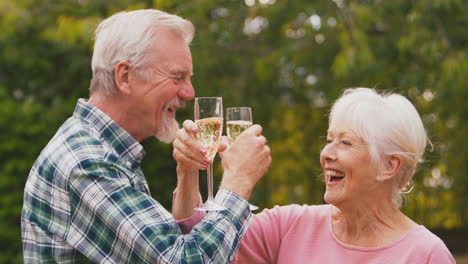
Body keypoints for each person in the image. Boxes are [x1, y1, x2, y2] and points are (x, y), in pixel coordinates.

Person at [21, 9, 271, 263]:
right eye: (177, 77)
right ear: (125, 77)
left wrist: (188, 172)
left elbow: (170, 245)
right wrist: (238, 181)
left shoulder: (106, 151)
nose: (188, 92)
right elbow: (183, 259)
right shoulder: (88, 162)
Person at [175, 88, 455, 263]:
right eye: (329, 139)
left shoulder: (426, 254)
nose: (326, 154)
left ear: (389, 166)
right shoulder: (291, 226)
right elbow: (196, 244)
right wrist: (187, 171)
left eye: (345, 143)